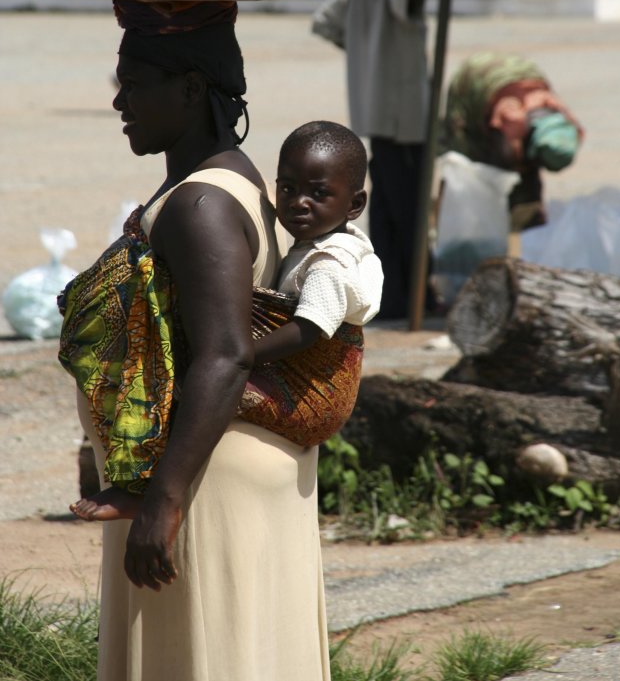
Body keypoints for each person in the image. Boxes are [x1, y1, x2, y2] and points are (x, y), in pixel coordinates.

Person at [58, 0, 331, 681]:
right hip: (210, 468)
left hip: (205, 480)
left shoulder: (201, 204)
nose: (120, 100)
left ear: (188, 89)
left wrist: (165, 500)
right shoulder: (227, 178)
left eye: (135, 81)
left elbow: (225, 351)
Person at [67, 119, 383, 524]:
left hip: (317, 390)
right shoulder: (320, 243)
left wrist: (235, 355)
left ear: (354, 205)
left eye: (319, 194)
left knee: (188, 390)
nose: (299, 202)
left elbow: (309, 329)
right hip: (310, 385)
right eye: (288, 189)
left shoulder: (329, 264)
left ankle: (142, 490)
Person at [312, 0, 457, 319]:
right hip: (403, 116)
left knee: (392, 212)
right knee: (409, 212)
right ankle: (417, 299)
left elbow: (326, 22)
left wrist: (367, 56)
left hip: (376, 113)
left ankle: (396, 300)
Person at [442, 50, 584, 230]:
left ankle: (520, 227)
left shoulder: (560, 115)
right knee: (474, 169)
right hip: (475, 79)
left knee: (520, 178)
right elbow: (496, 124)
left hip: (521, 74)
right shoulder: (511, 118)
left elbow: (578, 132)